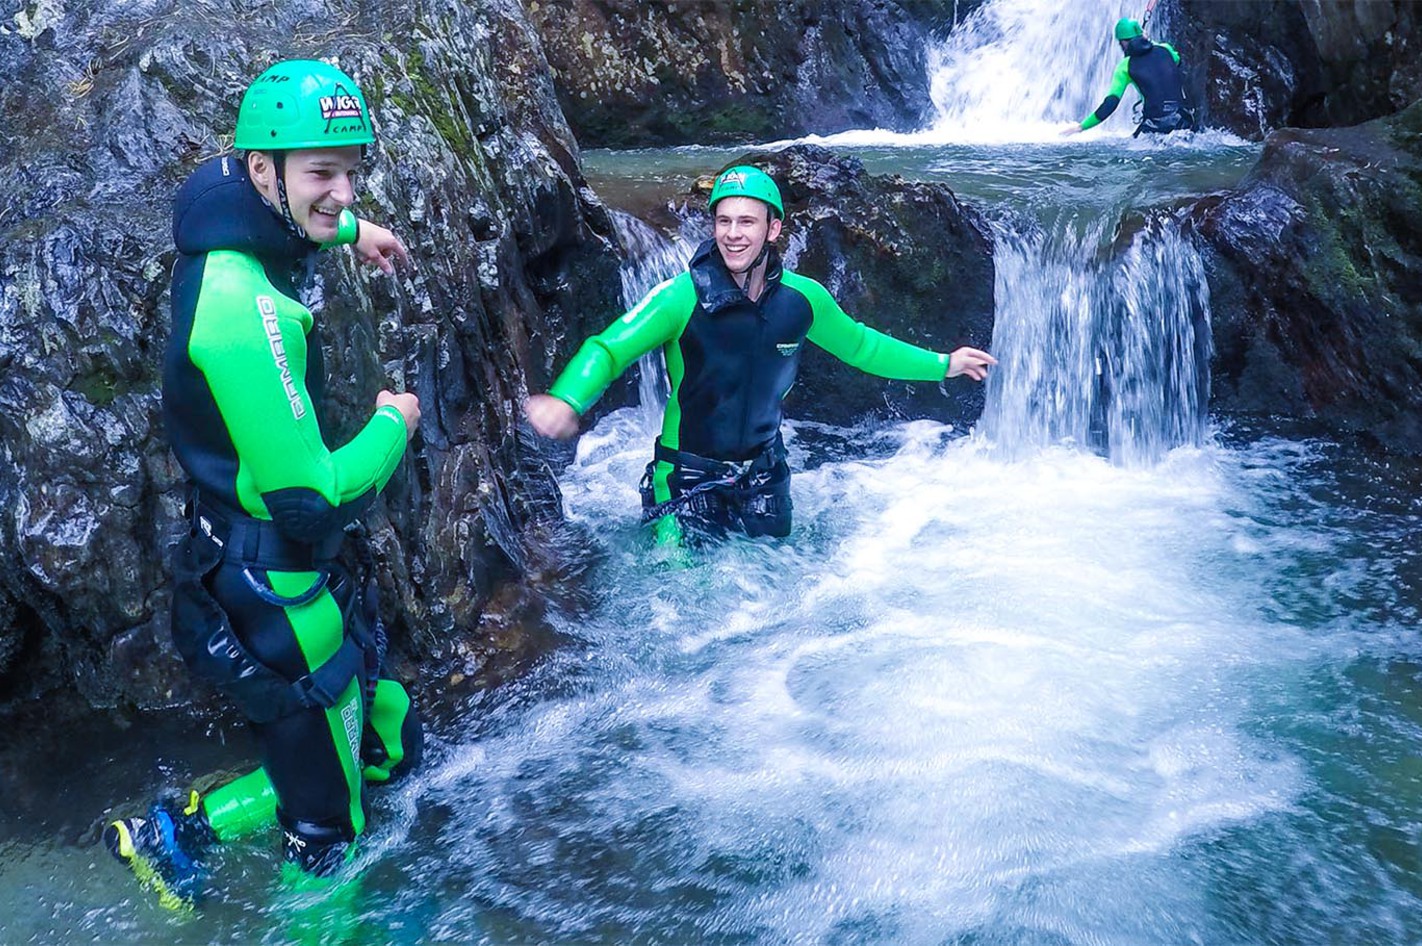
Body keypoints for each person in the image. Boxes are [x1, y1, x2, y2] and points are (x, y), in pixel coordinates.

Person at [103, 59, 423, 910]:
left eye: (351, 170)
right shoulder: (246, 310)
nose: (342, 190)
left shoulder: (228, 212)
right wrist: (394, 422)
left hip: (247, 564)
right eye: (324, 173)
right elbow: (313, 498)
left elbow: (292, 203)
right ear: (259, 169)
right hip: (275, 588)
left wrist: (357, 231)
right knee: (329, 838)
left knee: (375, 730)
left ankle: (174, 833)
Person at [524, 165, 996, 546]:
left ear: (773, 229)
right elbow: (609, 348)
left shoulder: (803, 299)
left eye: (746, 222)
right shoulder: (679, 297)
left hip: (766, 474)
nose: (732, 234)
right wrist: (568, 399)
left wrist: (944, 364)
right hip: (687, 479)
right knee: (684, 603)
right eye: (723, 221)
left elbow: (862, 346)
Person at [1064, 17, 1195, 137]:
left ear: (1123, 43)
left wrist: (1081, 127)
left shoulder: (1125, 66)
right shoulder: (1166, 49)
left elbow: (1110, 103)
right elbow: (1177, 62)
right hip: (1183, 122)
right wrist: (1147, 40)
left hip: (1154, 129)